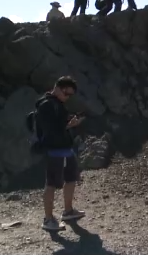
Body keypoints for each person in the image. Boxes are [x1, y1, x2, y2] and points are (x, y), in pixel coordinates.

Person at [36, 76, 85, 231]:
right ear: (57, 88)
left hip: (65, 148)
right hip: (54, 151)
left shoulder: (58, 104)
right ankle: (48, 219)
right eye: (66, 93)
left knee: (71, 178)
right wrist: (68, 125)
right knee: (51, 184)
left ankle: (68, 211)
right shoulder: (46, 105)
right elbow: (51, 131)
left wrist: (70, 123)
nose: (67, 97)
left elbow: (60, 125)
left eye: (70, 95)